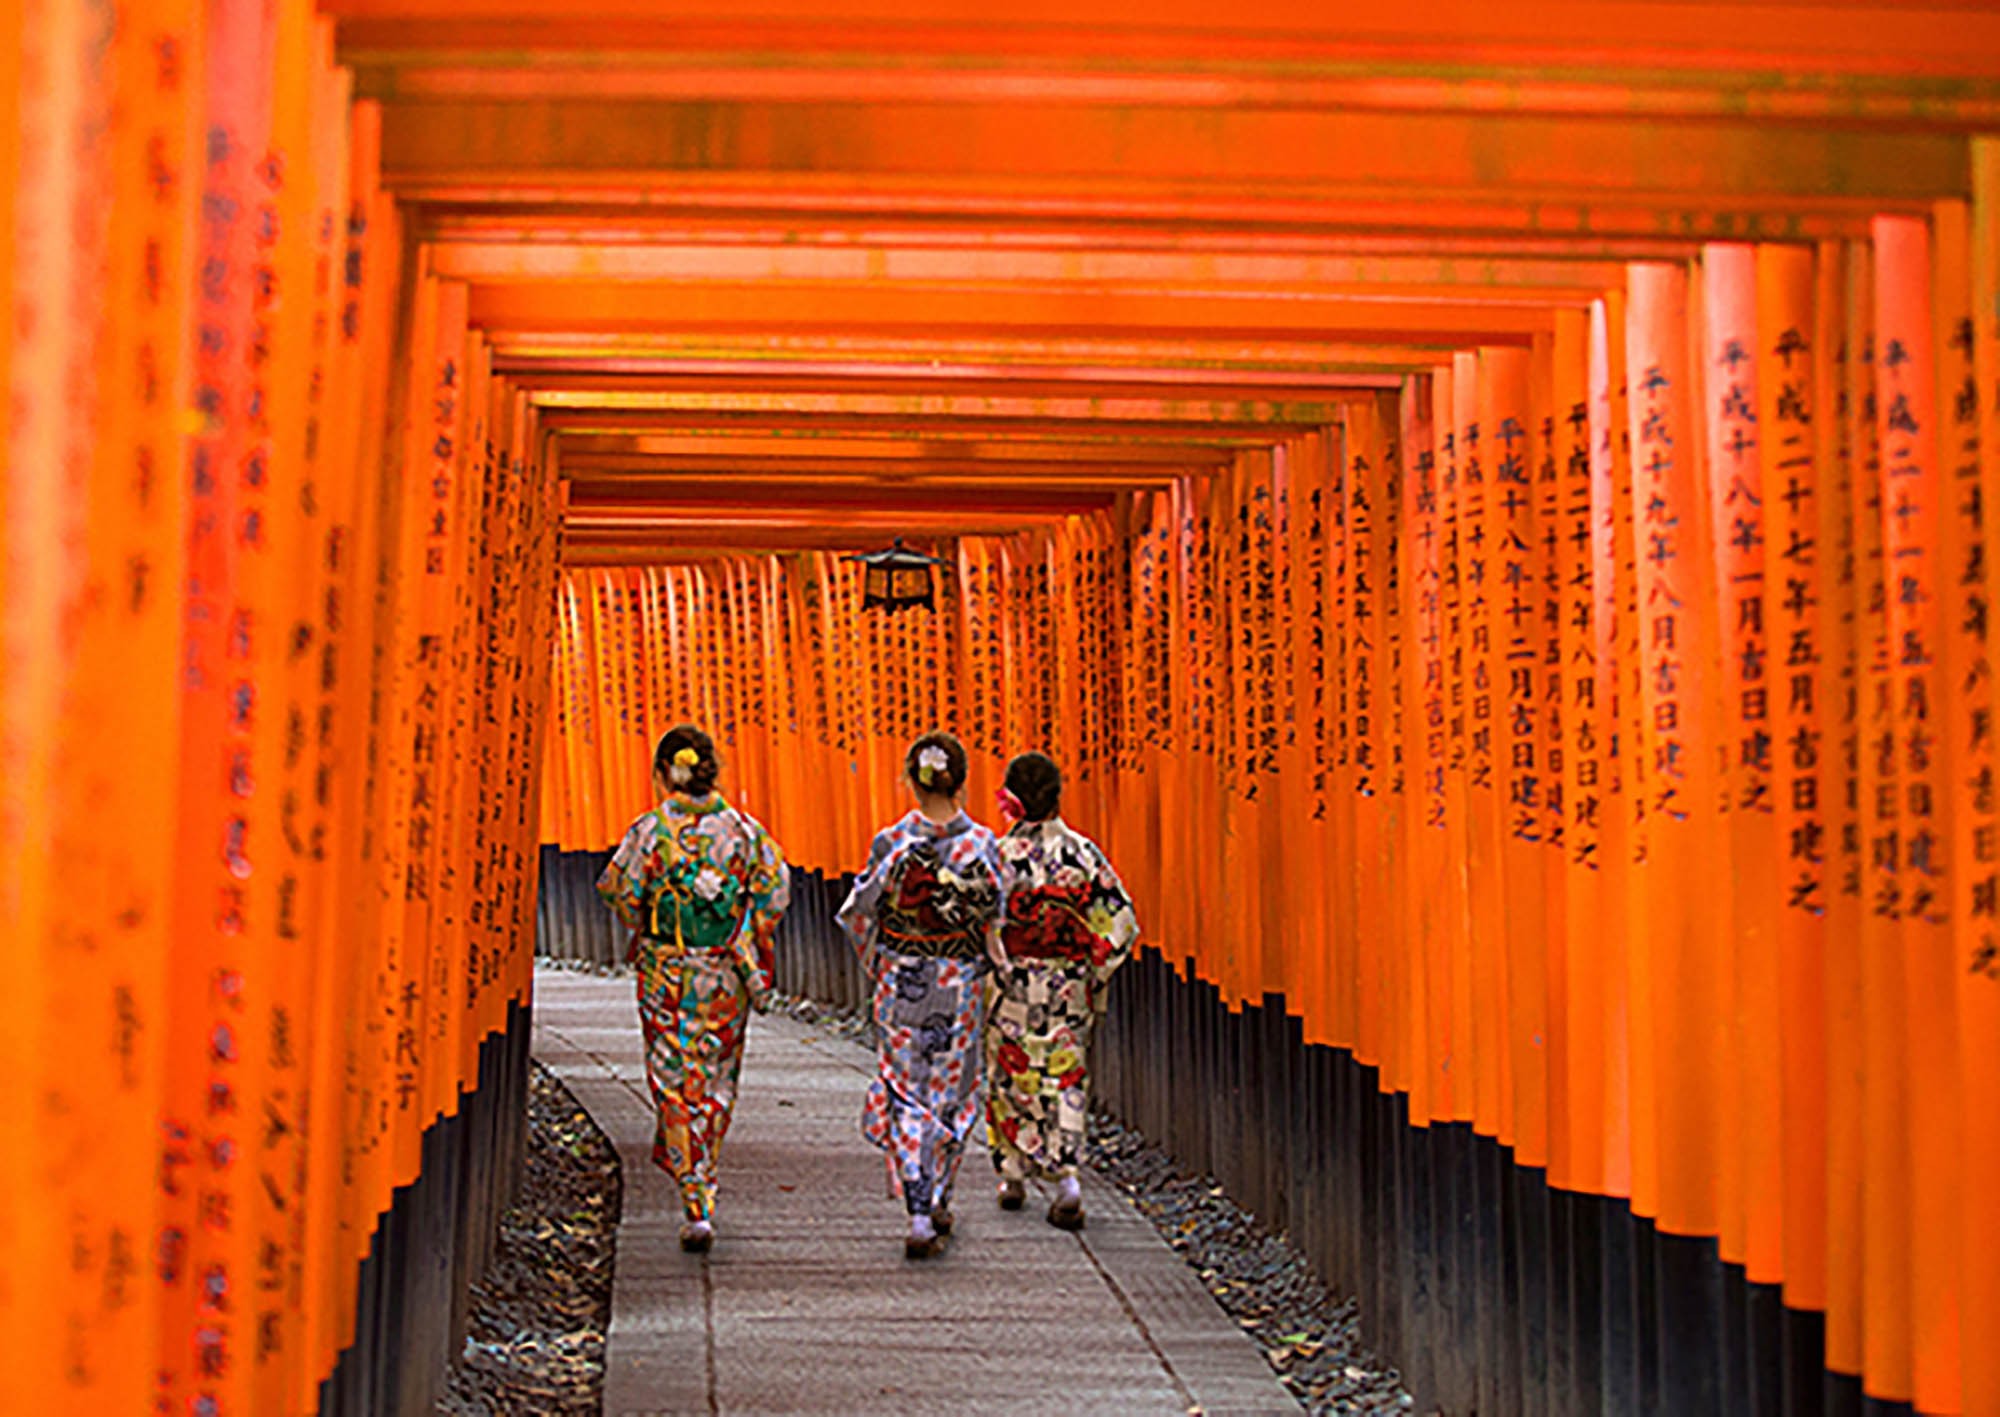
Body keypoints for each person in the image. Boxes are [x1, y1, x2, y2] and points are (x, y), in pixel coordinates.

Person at [596, 725, 790, 1253]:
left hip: (666, 970)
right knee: (717, 1073)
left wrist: (653, 921)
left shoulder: (650, 830)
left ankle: (694, 1193)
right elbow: (775, 892)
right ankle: (706, 1174)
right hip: (724, 972)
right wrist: (744, 932)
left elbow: (619, 891)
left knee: (673, 1077)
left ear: (664, 774)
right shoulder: (745, 832)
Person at [837, 731, 1008, 1259]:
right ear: (961, 781)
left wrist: (881, 964)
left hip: (901, 980)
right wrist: (983, 964)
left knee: (906, 1087)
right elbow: (996, 920)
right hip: (957, 980)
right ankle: (939, 1196)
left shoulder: (891, 843)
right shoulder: (982, 846)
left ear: (911, 781)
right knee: (953, 1091)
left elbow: (858, 914)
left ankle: (916, 1208)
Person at [983, 751, 1139, 1230]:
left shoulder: (996, 857)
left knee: (1009, 1076)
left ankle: (1012, 1174)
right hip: (1067, 980)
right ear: (1057, 798)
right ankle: (1067, 1178)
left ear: (1011, 800)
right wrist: (1095, 966)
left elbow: (977, 922)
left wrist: (991, 961)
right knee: (1065, 1075)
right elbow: (1122, 921)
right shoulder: (1082, 854)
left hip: (1011, 980)